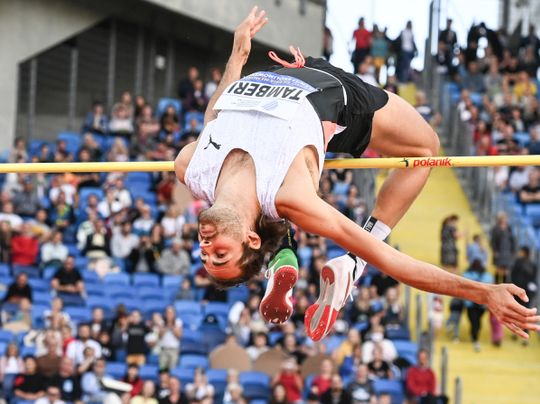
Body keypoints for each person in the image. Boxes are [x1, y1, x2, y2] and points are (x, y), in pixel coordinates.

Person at [173, 7, 540, 342]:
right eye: (219, 257)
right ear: (251, 240)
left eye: (205, 256)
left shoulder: (192, 168)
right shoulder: (289, 195)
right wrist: (482, 292)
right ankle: (352, 264)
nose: (206, 250)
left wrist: (237, 57)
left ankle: (291, 255)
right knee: (425, 149)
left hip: (286, 71)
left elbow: (214, 119)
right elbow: (394, 262)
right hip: (337, 100)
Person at [463, 260, 494, 352]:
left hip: (473, 304)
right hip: (478, 304)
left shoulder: (467, 275)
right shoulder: (487, 276)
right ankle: (474, 337)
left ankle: (474, 337)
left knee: (474, 321)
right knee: (476, 322)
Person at [511, 246, 538, 345]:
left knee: (525, 314)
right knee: (517, 312)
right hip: (519, 292)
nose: (519, 253)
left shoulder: (532, 265)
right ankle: (516, 332)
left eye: (521, 251)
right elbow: (513, 276)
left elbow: (533, 279)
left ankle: (525, 336)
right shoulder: (518, 262)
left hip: (527, 294)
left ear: (524, 252)